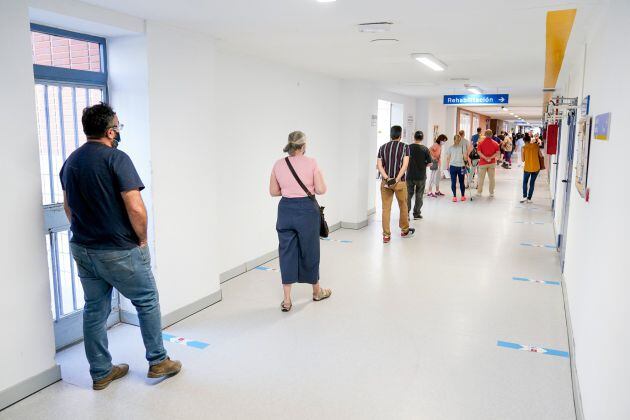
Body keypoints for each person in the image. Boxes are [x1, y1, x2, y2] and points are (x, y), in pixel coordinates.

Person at [60, 103, 181, 391]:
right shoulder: (116, 158)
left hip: (83, 248)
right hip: (118, 249)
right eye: (118, 126)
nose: (119, 130)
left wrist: (86, 232)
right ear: (110, 130)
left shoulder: (71, 161)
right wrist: (141, 239)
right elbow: (136, 208)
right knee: (147, 300)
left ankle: (101, 372)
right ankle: (158, 360)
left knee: (94, 309)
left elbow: (68, 208)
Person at [270, 131, 332, 312]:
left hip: (285, 211)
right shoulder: (311, 162)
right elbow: (321, 189)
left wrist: (289, 190)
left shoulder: (278, 164)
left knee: (286, 252)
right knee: (310, 249)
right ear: (303, 146)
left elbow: (273, 191)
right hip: (306, 211)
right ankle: (316, 291)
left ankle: (287, 300)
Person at [377, 125, 415, 243]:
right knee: (403, 206)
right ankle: (404, 230)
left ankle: (386, 235)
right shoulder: (405, 147)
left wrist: (387, 178)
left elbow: (379, 165)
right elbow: (405, 165)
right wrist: (396, 179)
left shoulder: (382, 147)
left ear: (390, 134)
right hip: (400, 183)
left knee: (385, 209)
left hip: (385, 183)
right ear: (400, 135)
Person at [406, 131, 432, 219]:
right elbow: (430, 164)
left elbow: (404, 161)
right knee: (419, 195)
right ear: (422, 138)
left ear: (414, 137)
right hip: (421, 176)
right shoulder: (425, 149)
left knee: (408, 195)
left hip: (410, 175)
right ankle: (416, 214)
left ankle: (406, 214)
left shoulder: (408, 147)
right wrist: (423, 164)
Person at [476, 129, 500, 197]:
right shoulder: (495, 143)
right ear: (492, 134)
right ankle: (491, 193)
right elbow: (497, 153)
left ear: (485, 135)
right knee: (492, 178)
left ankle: (479, 192)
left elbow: (479, 152)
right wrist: (490, 158)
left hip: (483, 163)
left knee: (481, 178)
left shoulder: (480, 143)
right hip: (492, 163)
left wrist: (485, 158)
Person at [446, 134, 470, 202]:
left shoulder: (450, 148)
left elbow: (448, 158)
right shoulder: (462, 147)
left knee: (453, 182)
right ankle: (462, 196)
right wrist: (467, 165)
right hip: (461, 167)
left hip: (452, 167)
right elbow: (465, 158)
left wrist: (447, 166)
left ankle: (454, 197)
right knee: (462, 182)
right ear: (460, 140)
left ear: (454, 140)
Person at [520, 133, 543, 203]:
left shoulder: (523, 148)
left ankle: (524, 197)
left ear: (524, 141)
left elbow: (522, 160)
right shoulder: (536, 146)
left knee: (525, 182)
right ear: (530, 140)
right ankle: (529, 198)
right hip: (536, 167)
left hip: (527, 168)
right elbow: (541, 155)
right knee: (532, 183)